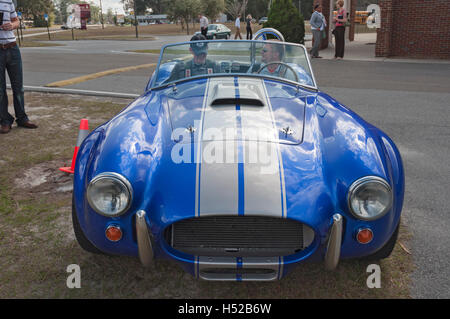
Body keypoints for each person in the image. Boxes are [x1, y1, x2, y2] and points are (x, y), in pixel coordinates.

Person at [0, 0, 37, 134]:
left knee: (18, 87)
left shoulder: (7, 1)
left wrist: (12, 25)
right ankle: (5, 121)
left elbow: (16, 21)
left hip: (12, 47)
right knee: (0, 90)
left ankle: (22, 118)